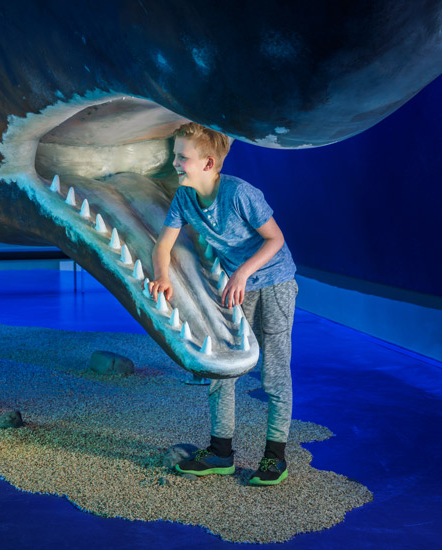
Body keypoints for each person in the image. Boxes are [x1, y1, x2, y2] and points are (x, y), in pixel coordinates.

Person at [149, 122, 298, 486]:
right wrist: (162, 276)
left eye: (182, 157)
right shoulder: (184, 198)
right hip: (235, 287)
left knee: (274, 372)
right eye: (174, 156)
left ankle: (275, 457)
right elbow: (163, 246)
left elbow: (275, 239)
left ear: (208, 163)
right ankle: (220, 452)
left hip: (274, 282)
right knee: (222, 367)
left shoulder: (240, 193)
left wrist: (243, 273)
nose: (175, 163)